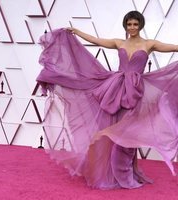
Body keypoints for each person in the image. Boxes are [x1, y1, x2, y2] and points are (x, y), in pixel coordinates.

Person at [37, 10, 178, 189]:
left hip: (134, 91)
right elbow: (96, 41)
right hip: (115, 89)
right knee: (111, 127)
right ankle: (108, 174)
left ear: (140, 25)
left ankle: (124, 172)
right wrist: (77, 32)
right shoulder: (119, 42)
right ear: (125, 25)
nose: (132, 27)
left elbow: (174, 47)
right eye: (129, 24)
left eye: (135, 24)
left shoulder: (149, 44)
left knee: (127, 131)